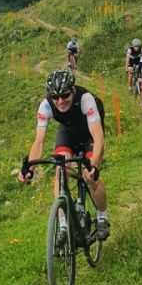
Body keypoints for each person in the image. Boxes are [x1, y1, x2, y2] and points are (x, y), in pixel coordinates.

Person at [18, 68, 109, 240]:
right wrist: (30, 168)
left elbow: (98, 136)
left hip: (90, 134)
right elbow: (39, 141)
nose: (60, 101)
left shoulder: (86, 100)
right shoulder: (45, 106)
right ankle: (63, 226)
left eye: (65, 95)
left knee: (90, 177)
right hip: (68, 132)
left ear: (73, 90)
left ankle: (102, 217)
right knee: (61, 171)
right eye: (56, 97)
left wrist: (94, 165)